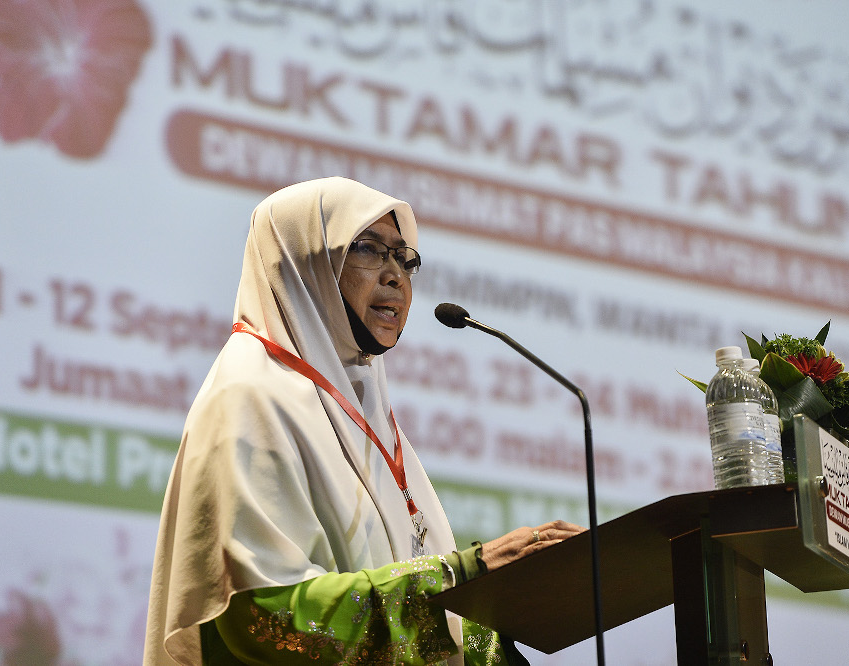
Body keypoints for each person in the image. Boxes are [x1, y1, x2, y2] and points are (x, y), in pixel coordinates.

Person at [143, 177, 584, 665]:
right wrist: (468, 573)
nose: (396, 276)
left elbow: (418, 612)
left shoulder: (362, 407)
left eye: (405, 258)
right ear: (304, 261)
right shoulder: (249, 395)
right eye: (369, 249)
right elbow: (264, 614)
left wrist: (500, 609)